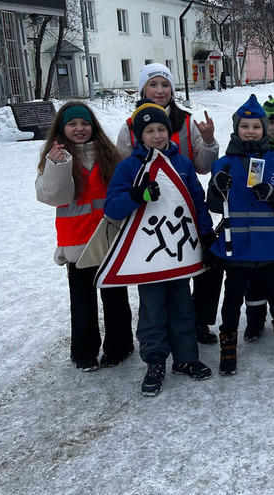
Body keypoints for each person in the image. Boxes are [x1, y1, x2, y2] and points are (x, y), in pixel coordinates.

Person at [105, 102, 214, 395]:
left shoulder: (183, 164)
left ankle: (186, 359)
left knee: (182, 306)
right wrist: (136, 195)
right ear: (139, 136)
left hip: (178, 249)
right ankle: (155, 360)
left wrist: (205, 234)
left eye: (161, 129)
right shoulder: (129, 167)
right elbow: (112, 207)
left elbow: (196, 202)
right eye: (149, 131)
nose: (156, 135)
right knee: (153, 309)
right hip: (147, 256)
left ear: (170, 131)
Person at [116, 63, 221, 346]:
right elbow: (123, 171)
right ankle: (158, 340)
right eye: (154, 85)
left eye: (165, 85)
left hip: (185, 212)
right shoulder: (129, 128)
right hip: (150, 218)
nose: (160, 90)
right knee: (159, 284)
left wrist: (209, 141)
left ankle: (198, 321)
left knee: (205, 266)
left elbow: (203, 167)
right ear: (143, 90)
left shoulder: (186, 123)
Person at [207, 94, 274, 375]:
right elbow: (213, 205)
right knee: (232, 300)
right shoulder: (221, 165)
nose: (251, 131)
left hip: (270, 246)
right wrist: (217, 189)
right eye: (245, 126)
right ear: (236, 129)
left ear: (264, 130)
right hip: (235, 248)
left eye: (256, 127)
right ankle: (228, 347)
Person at [36, 102, 134, 372]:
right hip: (77, 241)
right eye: (72, 124)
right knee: (82, 301)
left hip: (109, 237)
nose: (79, 129)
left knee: (115, 297)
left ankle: (120, 346)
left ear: (93, 126)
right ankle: (84, 352)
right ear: (62, 128)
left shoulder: (109, 155)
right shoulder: (54, 158)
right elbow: (54, 196)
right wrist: (58, 165)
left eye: (85, 123)